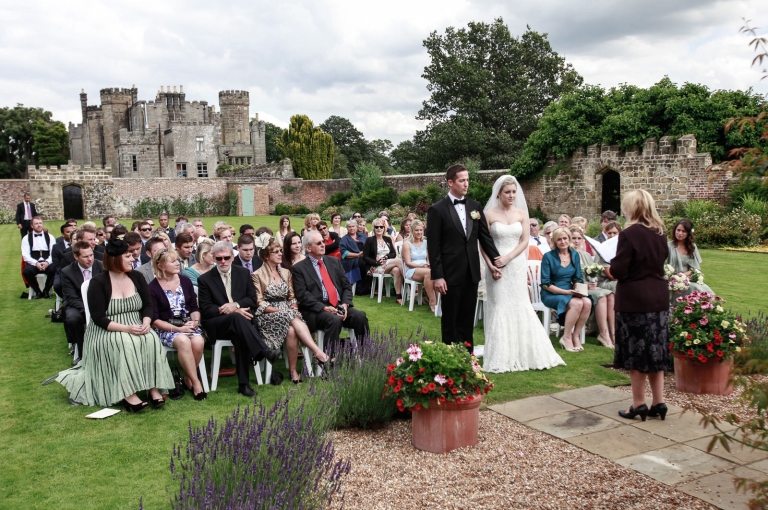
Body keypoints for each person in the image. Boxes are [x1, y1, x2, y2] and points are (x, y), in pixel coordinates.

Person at [55, 238, 175, 411]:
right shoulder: (98, 283)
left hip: (137, 322)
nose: (133, 258)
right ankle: (128, 394)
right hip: (107, 328)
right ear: (115, 259)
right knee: (124, 343)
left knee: (151, 339)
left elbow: (148, 306)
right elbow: (98, 318)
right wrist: (126, 328)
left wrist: (146, 322)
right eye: (128, 256)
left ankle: (153, 388)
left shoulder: (137, 277)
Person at [480, 176, 565, 372]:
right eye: (507, 192)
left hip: (515, 263)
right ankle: (500, 354)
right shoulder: (488, 214)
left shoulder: (522, 213)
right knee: (500, 305)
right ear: (499, 194)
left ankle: (523, 352)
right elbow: (483, 242)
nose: (511, 195)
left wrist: (508, 257)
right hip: (495, 265)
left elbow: (525, 241)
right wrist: (491, 265)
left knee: (520, 305)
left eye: (513, 192)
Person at [426, 164, 500, 349]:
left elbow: (484, 237)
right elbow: (433, 246)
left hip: (471, 272)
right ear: (450, 182)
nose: (466, 184)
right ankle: (449, 357)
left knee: (467, 318)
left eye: (467, 180)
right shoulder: (437, 209)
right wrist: (438, 276)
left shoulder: (475, 206)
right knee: (450, 318)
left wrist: (499, 260)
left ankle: (468, 357)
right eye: (462, 180)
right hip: (449, 273)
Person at [612, 190, 670, 422]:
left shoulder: (630, 234)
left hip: (634, 298)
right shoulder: (660, 232)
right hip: (658, 296)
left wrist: (610, 268)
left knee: (635, 352)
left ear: (632, 208)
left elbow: (619, 270)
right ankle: (659, 401)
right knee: (655, 350)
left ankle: (638, 404)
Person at [197, 242, 281, 397]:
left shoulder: (243, 273)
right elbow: (206, 309)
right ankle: (264, 351)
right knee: (237, 318)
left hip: (241, 323)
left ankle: (244, 385)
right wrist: (229, 309)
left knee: (240, 332)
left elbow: (251, 299)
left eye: (226, 257)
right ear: (214, 258)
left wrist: (235, 305)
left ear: (232, 257)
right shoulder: (205, 280)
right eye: (219, 258)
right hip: (217, 323)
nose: (223, 261)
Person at [252, 240, 330, 384]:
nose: (280, 254)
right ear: (266, 256)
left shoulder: (286, 272)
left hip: (288, 312)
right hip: (267, 315)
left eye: (280, 251)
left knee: (292, 331)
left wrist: (293, 305)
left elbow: (292, 296)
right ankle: (318, 352)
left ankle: (293, 370)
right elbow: (259, 302)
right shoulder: (256, 275)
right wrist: (283, 310)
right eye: (275, 252)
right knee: (291, 315)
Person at [291, 232, 369, 346]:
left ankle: (365, 353)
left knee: (360, 317)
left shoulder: (334, 262)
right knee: (334, 320)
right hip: (317, 310)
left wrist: (345, 305)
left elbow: (346, 286)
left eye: (323, 241)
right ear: (308, 248)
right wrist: (324, 308)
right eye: (319, 243)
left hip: (339, 305)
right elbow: (302, 295)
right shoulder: (299, 268)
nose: (323, 245)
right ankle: (329, 360)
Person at [149, 249, 206, 400]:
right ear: (160, 265)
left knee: (199, 341)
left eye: (177, 260)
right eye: (172, 261)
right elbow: (154, 320)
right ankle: (196, 382)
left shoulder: (185, 281)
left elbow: (194, 307)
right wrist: (178, 329)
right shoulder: (153, 287)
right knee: (183, 340)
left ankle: (187, 377)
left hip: (187, 324)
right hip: (166, 328)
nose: (177, 264)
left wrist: (194, 322)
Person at [540, 227, 592, 352]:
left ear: (569, 239)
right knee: (577, 303)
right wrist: (567, 292)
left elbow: (578, 278)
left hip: (570, 290)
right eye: (559, 239)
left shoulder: (574, 255)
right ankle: (566, 336)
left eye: (565, 238)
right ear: (555, 241)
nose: (563, 242)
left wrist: (578, 289)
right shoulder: (548, 256)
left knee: (587, 302)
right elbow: (546, 284)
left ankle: (575, 336)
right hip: (551, 292)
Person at [570, 226, 614, 348]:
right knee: (601, 296)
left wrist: (593, 282)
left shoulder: (586, 255)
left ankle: (612, 333)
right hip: (576, 288)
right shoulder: (567, 255)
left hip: (589, 287)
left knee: (610, 294)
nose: (576, 241)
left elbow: (592, 273)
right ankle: (604, 335)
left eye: (579, 238)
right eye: (573, 238)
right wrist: (585, 285)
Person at [61, 241, 104, 364]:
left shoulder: (102, 266)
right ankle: (81, 352)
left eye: (91, 255)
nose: (90, 259)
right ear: (76, 257)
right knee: (73, 318)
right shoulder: (67, 272)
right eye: (85, 256)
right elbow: (71, 297)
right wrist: (87, 309)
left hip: (101, 304)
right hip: (78, 305)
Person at [667, 218, 714, 296]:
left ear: (688, 233)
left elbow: (695, 269)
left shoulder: (692, 247)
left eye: (683, 231)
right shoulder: (668, 246)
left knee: (700, 288)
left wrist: (683, 276)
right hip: (671, 280)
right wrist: (675, 277)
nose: (680, 233)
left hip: (687, 278)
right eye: (678, 230)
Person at [363, 218, 403, 304]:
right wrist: (376, 262)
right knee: (399, 261)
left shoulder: (387, 239)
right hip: (375, 266)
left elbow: (393, 253)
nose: (379, 229)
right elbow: (365, 256)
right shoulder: (370, 240)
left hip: (387, 264)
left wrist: (386, 257)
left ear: (384, 228)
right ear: (373, 228)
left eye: (381, 227)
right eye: (376, 227)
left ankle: (398, 296)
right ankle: (409, 282)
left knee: (396, 270)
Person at [401, 219, 437, 312]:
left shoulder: (426, 242)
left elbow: (429, 258)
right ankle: (432, 302)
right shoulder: (407, 244)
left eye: (421, 230)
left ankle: (440, 302)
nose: (419, 232)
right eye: (417, 230)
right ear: (412, 231)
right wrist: (421, 266)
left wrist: (428, 264)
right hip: (412, 269)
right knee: (429, 273)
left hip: (425, 268)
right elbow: (408, 262)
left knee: (435, 272)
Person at [22, 217, 56, 299]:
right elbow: (25, 255)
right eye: (36, 224)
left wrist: (47, 262)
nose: (39, 225)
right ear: (32, 226)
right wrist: (36, 263)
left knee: (55, 269)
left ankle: (46, 291)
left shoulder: (50, 237)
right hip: (34, 263)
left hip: (47, 261)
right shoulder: (26, 238)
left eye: (40, 223)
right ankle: (37, 291)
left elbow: (53, 252)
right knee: (27, 271)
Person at [596, 221, 622, 294]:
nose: (612, 235)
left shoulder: (622, 248)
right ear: (606, 234)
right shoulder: (603, 250)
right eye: (609, 233)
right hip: (604, 281)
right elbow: (611, 275)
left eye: (615, 233)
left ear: (619, 233)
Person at [339, 220, 364, 289]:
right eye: (349, 227)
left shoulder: (363, 236)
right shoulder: (344, 239)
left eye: (353, 226)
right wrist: (358, 255)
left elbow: (370, 246)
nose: (352, 228)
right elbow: (344, 253)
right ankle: (360, 288)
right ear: (347, 228)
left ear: (356, 227)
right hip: (350, 260)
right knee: (362, 263)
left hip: (364, 257)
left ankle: (371, 286)